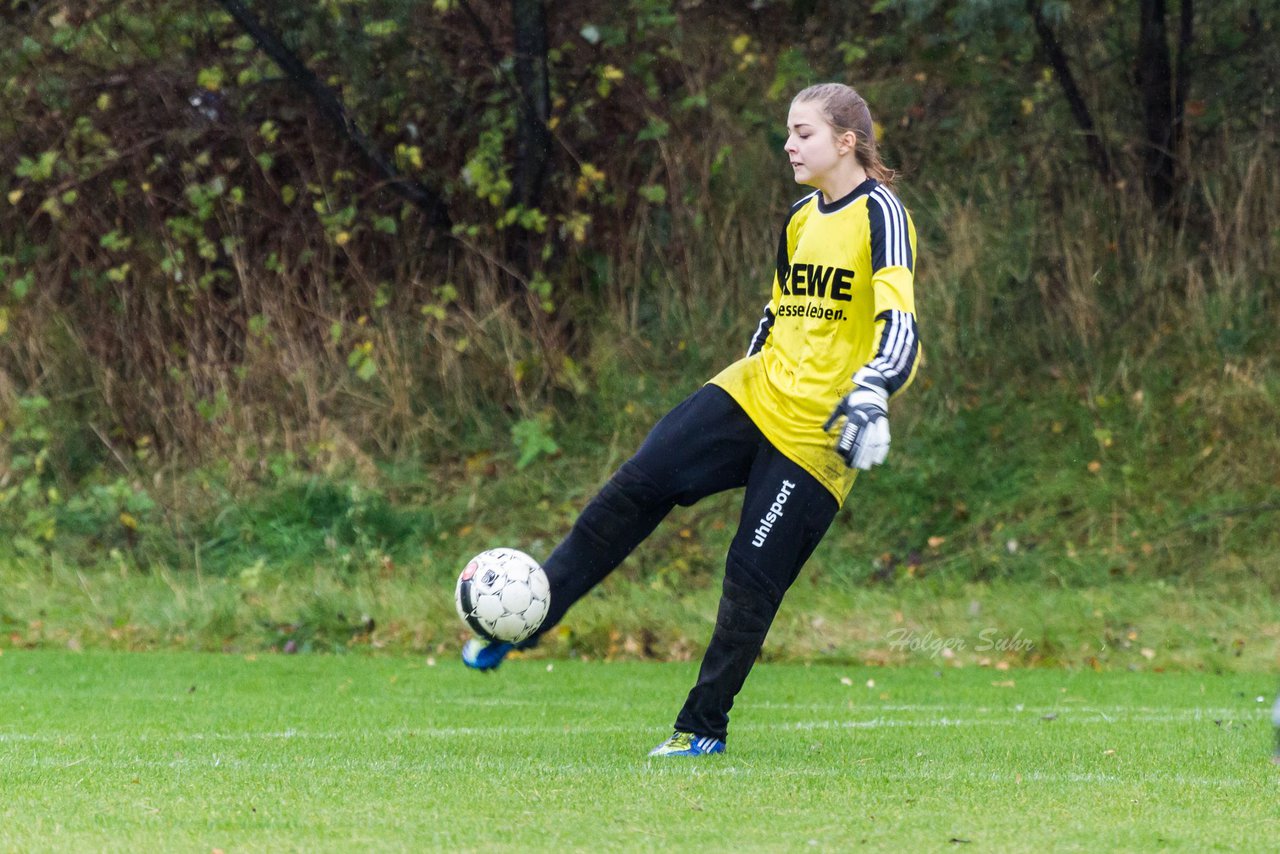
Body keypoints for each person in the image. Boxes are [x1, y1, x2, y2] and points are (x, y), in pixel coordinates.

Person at [462, 82, 920, 757]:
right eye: (788, 132)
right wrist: (741, 383)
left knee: (749, 581)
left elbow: (898, 320)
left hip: (815, 437)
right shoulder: (799, 217)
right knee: (638, 484)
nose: (788, 145)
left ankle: (701, 728)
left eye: (804, 133)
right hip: (753, 392)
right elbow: (778, 311)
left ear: (846, 142)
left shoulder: (881, 214)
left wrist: (872, 392)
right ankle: (527, 619)